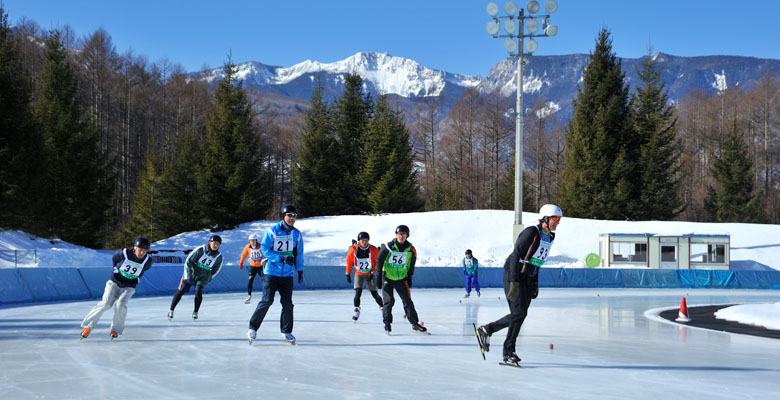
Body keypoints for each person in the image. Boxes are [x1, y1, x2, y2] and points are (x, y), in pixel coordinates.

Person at [476, 204, 562, 366]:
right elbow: (516, 255)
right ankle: (508, 350)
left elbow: (537, 261)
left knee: (520, 314)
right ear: (545, 218)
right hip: (513, 274)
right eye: (555, 218)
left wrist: (535, 282)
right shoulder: (531, 232)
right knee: (518, 313)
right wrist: (514, 281)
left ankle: (487, 330)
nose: (557, 222)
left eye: (559, 219)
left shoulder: (550, 237)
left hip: (527, 278)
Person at [247, 204, 304, 345]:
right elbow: (264, 249)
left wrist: (300, 269)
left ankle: (287, 332)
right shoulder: (272, 231)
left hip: (287, 274)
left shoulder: (296, 234)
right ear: (283, 216)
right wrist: (280, 258)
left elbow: (299, 253)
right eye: (289, 215)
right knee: (267, 300)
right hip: (271, 272)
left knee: (288, 304)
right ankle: (252, 328)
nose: (292, 218)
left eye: (294, 215)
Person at [80, 237, 153, 339]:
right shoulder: (124, 253)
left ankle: (115, 330)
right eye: (140, 250)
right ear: (135, 248)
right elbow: (115, 259)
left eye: (145, 251)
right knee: (106, 304)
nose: (142, 253)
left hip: (129, 287)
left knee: (120, 306)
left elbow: (143, 270)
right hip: (114, 283)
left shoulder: (148, 261)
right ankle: (88, 326)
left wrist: (134, 278)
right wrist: (115, 268)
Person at [376, 224, 427, 335]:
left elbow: (411, 264)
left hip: (401, 278)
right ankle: (387, 323)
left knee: (407, 301)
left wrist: (409, 277)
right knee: (389, 301)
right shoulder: (388, 246)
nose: (401, 236)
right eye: (399, 234)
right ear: (396, 235)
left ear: (407, 236)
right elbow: (379, 260)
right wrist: (378, 276)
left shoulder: (411, 249)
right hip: (387, 277)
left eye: (403, 234)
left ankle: (414, 324)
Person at [168, 235, 224, 321]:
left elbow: (216, 270)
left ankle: (195, 312)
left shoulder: (218, 257)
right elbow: (188, 261)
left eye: (217, 244)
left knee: (198, 291)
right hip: (191, 273)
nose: (215, 245)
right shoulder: (201, 249)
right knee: (182, 290)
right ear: (209, 242)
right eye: (213, 243)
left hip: (203, 277)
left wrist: (208, 278)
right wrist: (188, 275)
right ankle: (171, 310)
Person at [345, 231, 382, 321]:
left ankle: (382, 307)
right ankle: (356, 310)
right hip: (359, 273)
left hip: (370, 273)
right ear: (359, 241)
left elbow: (377, 263)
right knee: (358, 292)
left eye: (366, 240)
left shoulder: (373, 249)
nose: (364, 242)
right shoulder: (353, 250)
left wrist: (373, 273)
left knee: (374, 293)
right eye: (362, 240)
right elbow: (349, 262)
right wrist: (348, 273)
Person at [239, 233, 266, 304]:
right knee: (250, 281)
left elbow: (265, 254)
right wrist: (241, 263)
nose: (252, 242)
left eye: (254, 241)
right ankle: (249, 295)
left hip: (260, 266)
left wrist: (266, 262)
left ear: (256, 241)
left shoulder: (261, 246)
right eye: (251, 241)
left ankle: (265, 295)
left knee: (265, 280)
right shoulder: (247, 247)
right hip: (252, 266)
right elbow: (244, 255)